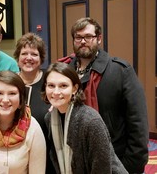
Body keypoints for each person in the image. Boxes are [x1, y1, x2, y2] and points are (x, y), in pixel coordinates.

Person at [60, 17, 148, 173]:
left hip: (115, 160)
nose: (83, 41)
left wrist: (131, 164)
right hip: (73, 158)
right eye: (78, 37)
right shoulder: (64, 71)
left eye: (88, 37)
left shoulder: (120, 71)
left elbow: (138, 122)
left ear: (98, 38)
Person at [41, 62, 128, 173]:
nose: (56, 92)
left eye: (63, 86)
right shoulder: (49, 118)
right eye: (51, 86)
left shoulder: (90, 121)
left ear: (74, 89)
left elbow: (102, 169)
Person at [13, 32, 54, 174]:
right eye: (24, 53)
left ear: (41, 58)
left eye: (34, 54)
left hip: (48, 156)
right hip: (14, 156)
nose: (29, 58)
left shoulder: (51, 82)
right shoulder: (9, 83)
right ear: (17, 57)